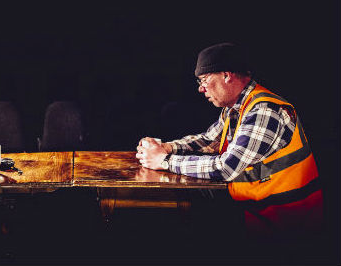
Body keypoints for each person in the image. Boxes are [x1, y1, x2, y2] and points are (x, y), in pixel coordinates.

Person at [136, 42, 323, 243]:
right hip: (258, 209)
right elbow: (210, 140)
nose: (201, 88)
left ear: (226, 75)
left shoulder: (264, 111)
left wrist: (164, 161)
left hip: (287, 222)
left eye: (204, 79)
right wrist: (167, 147)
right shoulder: (236, 108)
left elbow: (226, 168)